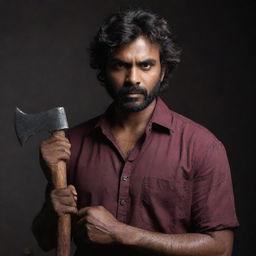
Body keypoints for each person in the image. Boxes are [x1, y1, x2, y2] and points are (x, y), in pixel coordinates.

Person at [32, 8, 239, 256]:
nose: (132, 78)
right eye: (120, 65)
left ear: (162, 71)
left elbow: (221, 248)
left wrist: (123, 233)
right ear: (104, 72)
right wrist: (51, 207)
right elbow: (45, 241)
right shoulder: (71, 145)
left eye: (145, 65)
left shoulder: (202, 147)